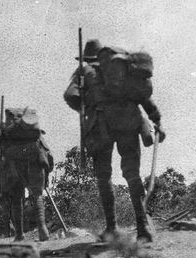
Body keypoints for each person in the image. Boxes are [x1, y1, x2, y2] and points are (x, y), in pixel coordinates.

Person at [64, 39, 166, 242]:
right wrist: (157, 121)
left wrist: (86, 108)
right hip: (129, 120)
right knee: (132, 173)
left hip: (101, 125)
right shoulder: (126, 70)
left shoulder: (84, 71)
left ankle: (112, 227)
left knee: (104, 176)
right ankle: (143, 226)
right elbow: (144, 97)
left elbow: (70, 95)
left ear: (86, 57)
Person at [0, 108, 52, 242]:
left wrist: (2, 134)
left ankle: (19, 234)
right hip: (35, 159)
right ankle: (43, 229)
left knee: (17, 199)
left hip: (13, 164)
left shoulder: (4, 127)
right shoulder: (31, 128)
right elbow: (47, 152)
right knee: (37, 195)